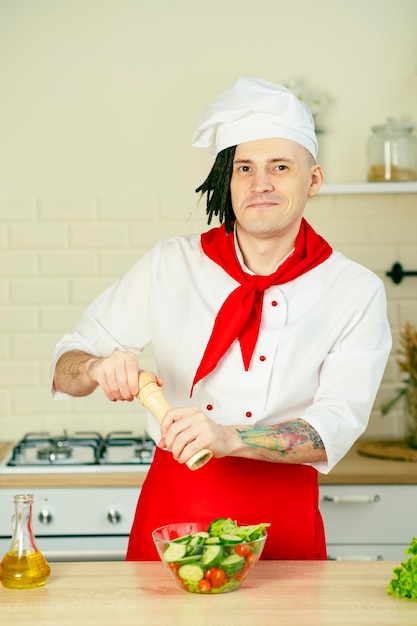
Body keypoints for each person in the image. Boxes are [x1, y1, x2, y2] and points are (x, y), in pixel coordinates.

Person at [51, 77, 392, 560]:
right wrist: (92, 367)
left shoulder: (354, 291)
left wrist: (227, 438)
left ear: (312, 179)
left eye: (280, 166)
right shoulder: (169, 265)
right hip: (176, 507)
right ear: (228, 181)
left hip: (284, 515)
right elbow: (67, 361)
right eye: (244, 168)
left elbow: (335, 425)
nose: (261, 185)